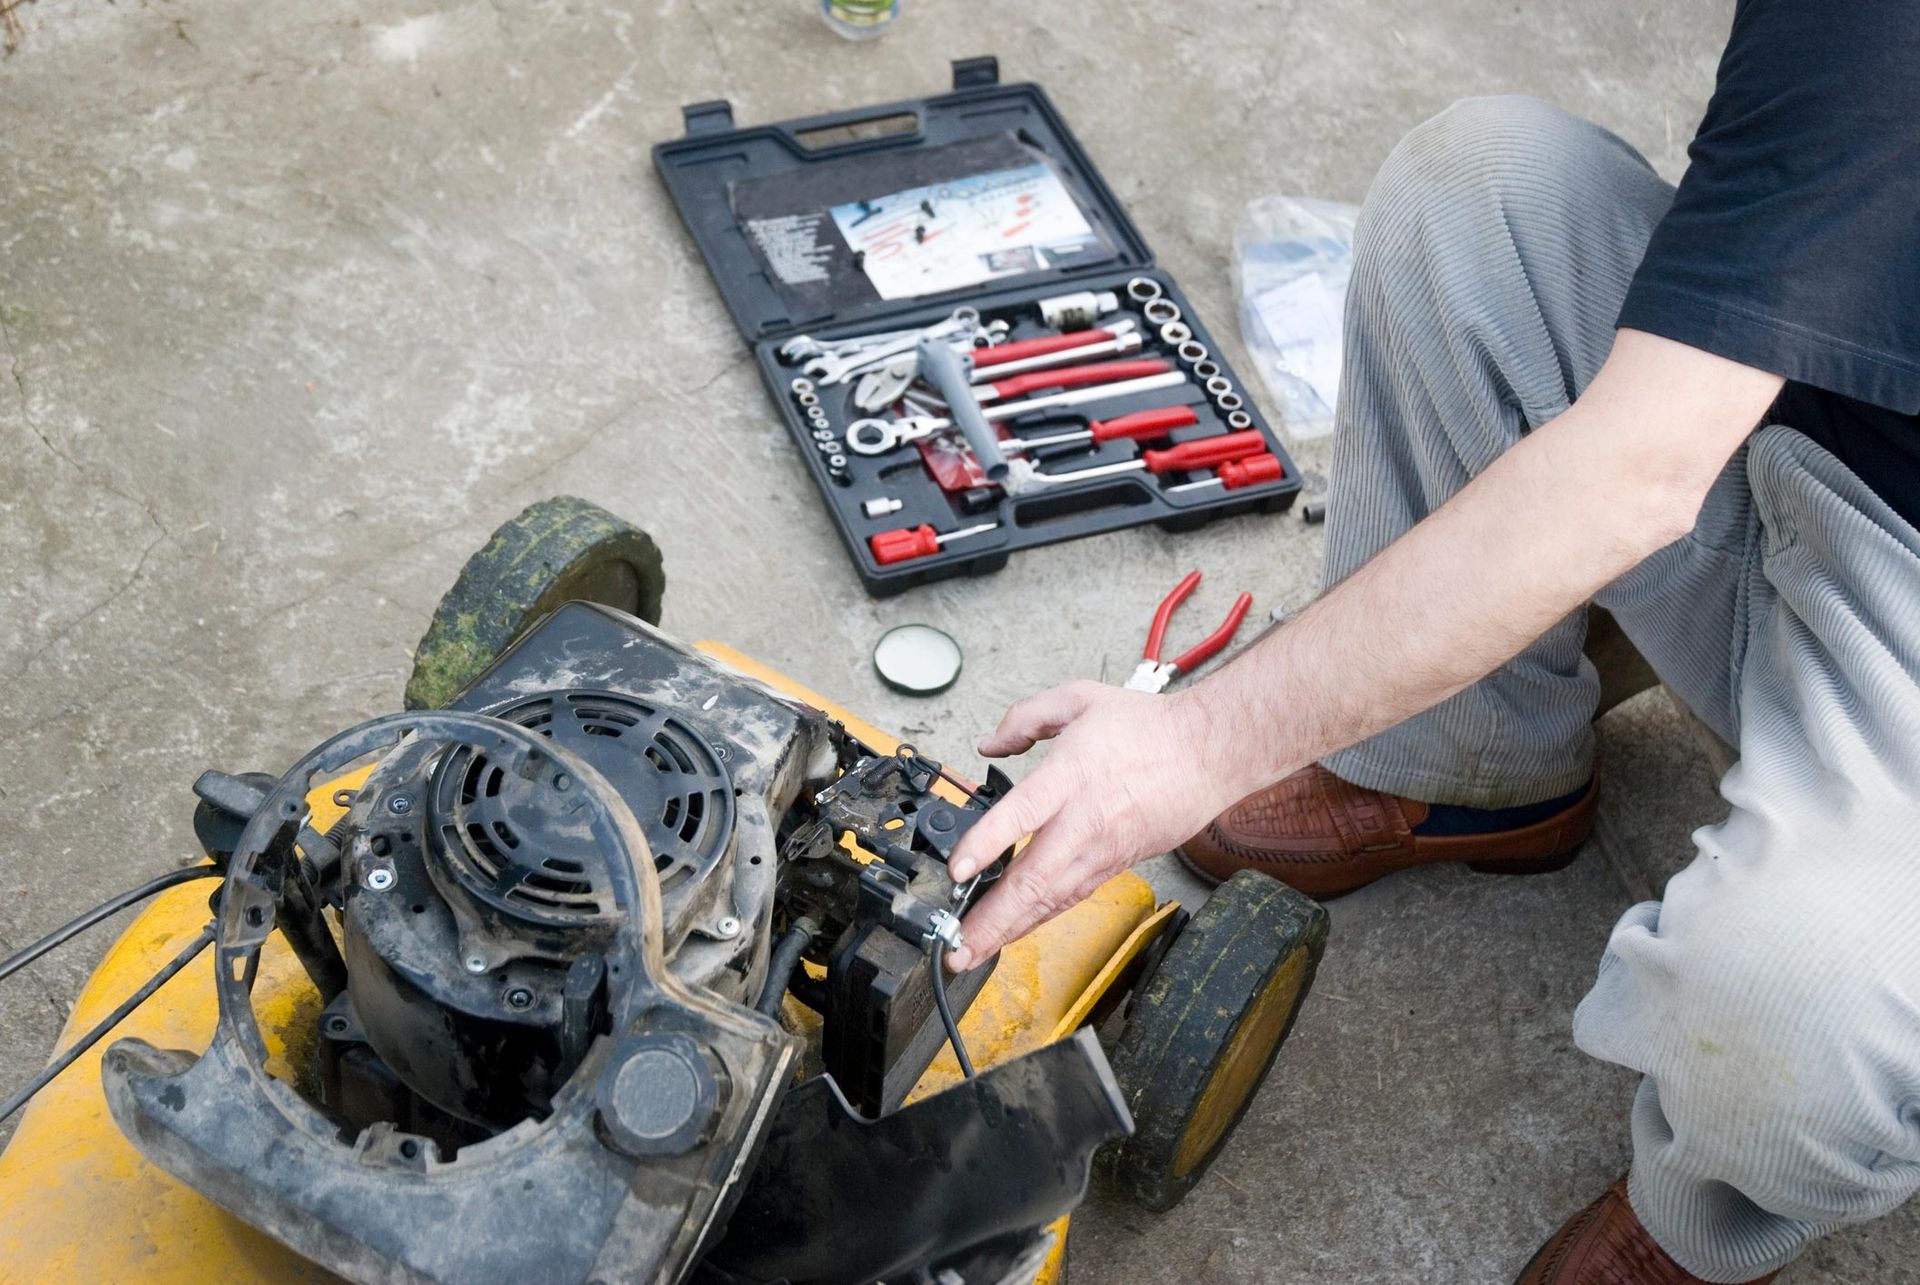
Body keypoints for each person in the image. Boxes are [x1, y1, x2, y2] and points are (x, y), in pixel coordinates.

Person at [943, 3, 1920, 1282]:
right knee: (1488, 195)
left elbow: (1632, 476)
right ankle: (1472, 767)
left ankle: (1709, 1213)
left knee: (1794, 1003)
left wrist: (1197, 742)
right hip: (1833, 463)